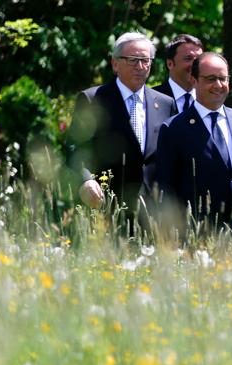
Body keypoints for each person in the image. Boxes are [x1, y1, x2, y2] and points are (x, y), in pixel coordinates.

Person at [155, 52, 232, 241]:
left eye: (223, 79)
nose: (218, 85)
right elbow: (166, 188)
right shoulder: (174, 128)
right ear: (194, 81)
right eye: (211, 79)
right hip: (195, 237)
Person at [66, 31, 177, 228]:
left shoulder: (166, 104)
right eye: (132, 60)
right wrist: (86, 181)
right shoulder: (94, 99)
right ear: (115, 64)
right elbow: (75, 150)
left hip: (156, 213)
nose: (140, 67)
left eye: (145, 60)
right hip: (108, 207)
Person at [153, 34, 204, 113]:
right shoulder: (151, 98)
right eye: (187, 59)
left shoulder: (208, 99)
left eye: (198, 60)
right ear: (170, 64)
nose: (194, 65)